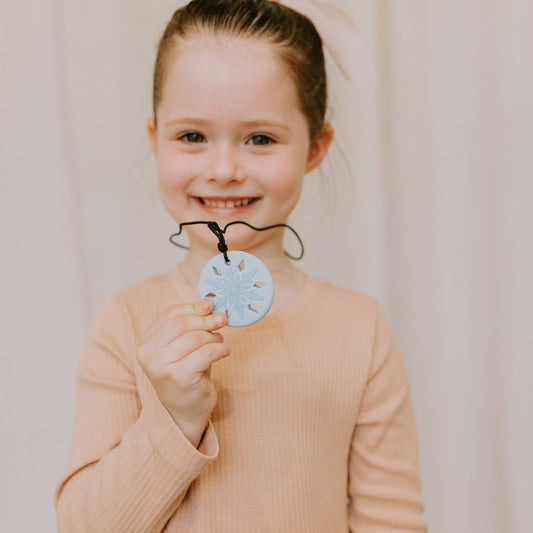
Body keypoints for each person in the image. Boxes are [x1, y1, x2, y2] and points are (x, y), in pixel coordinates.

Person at [55, 0, 426, 531]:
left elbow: (392, 520)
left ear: (316, 146)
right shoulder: (126, 323)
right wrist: (176, 417)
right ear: (154, 138)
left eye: (260, 139)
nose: (224, 169)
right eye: (192, 137)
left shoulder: (359, 329)